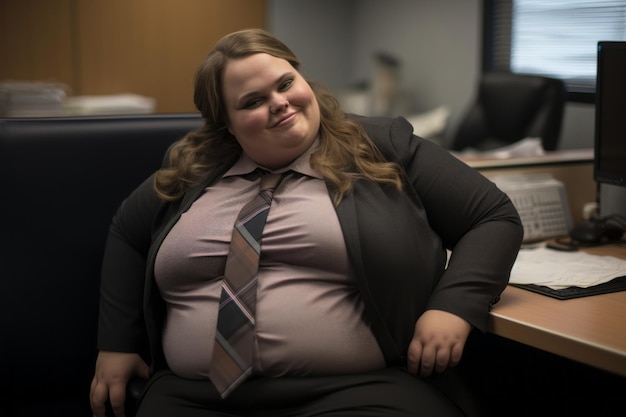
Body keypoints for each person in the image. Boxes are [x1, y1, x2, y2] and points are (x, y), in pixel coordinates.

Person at [89, 28, 523, 417]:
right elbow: (127, 233)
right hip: (195, 395)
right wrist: (117, 342)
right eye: (253, 101)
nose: (279, 103)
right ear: (227, 125)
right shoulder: (191, 169)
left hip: (356, 392)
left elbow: (492, 216)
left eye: (286, 83)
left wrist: (453, 305)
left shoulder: (383, 146)